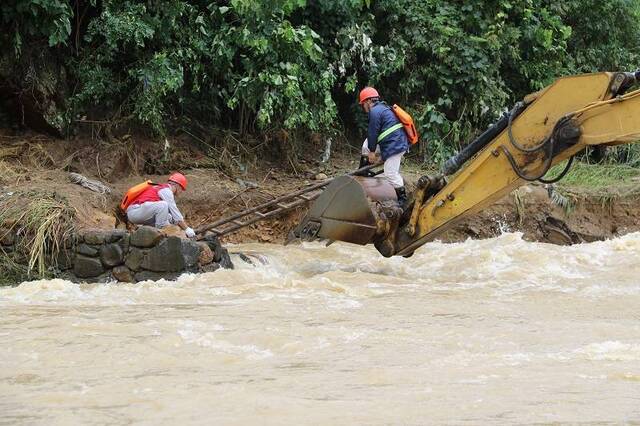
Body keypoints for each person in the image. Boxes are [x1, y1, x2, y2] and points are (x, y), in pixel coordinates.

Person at [358, 86, 409, 204]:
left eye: (363, 103)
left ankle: (403, 199)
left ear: (369, 101)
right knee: (366, 144)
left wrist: (372, 152)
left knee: (390, 173)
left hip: (395, 145)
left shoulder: (375, 112)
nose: (363, 106)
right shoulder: (383, 108)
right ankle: (363, 170)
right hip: (393, 142)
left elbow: (373, 132)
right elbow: (375, 136)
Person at [125, 172, 196, 238]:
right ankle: (161, 232)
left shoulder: (160, 188)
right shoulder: (166, 191)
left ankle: (147, 231)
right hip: (135, 212)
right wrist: (187, 229)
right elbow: (175, 212)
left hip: (138, 212)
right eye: (182, 189)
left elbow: (173, 216)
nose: (181, 192)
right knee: (163, 205)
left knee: (168, 216)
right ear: (177, 185)